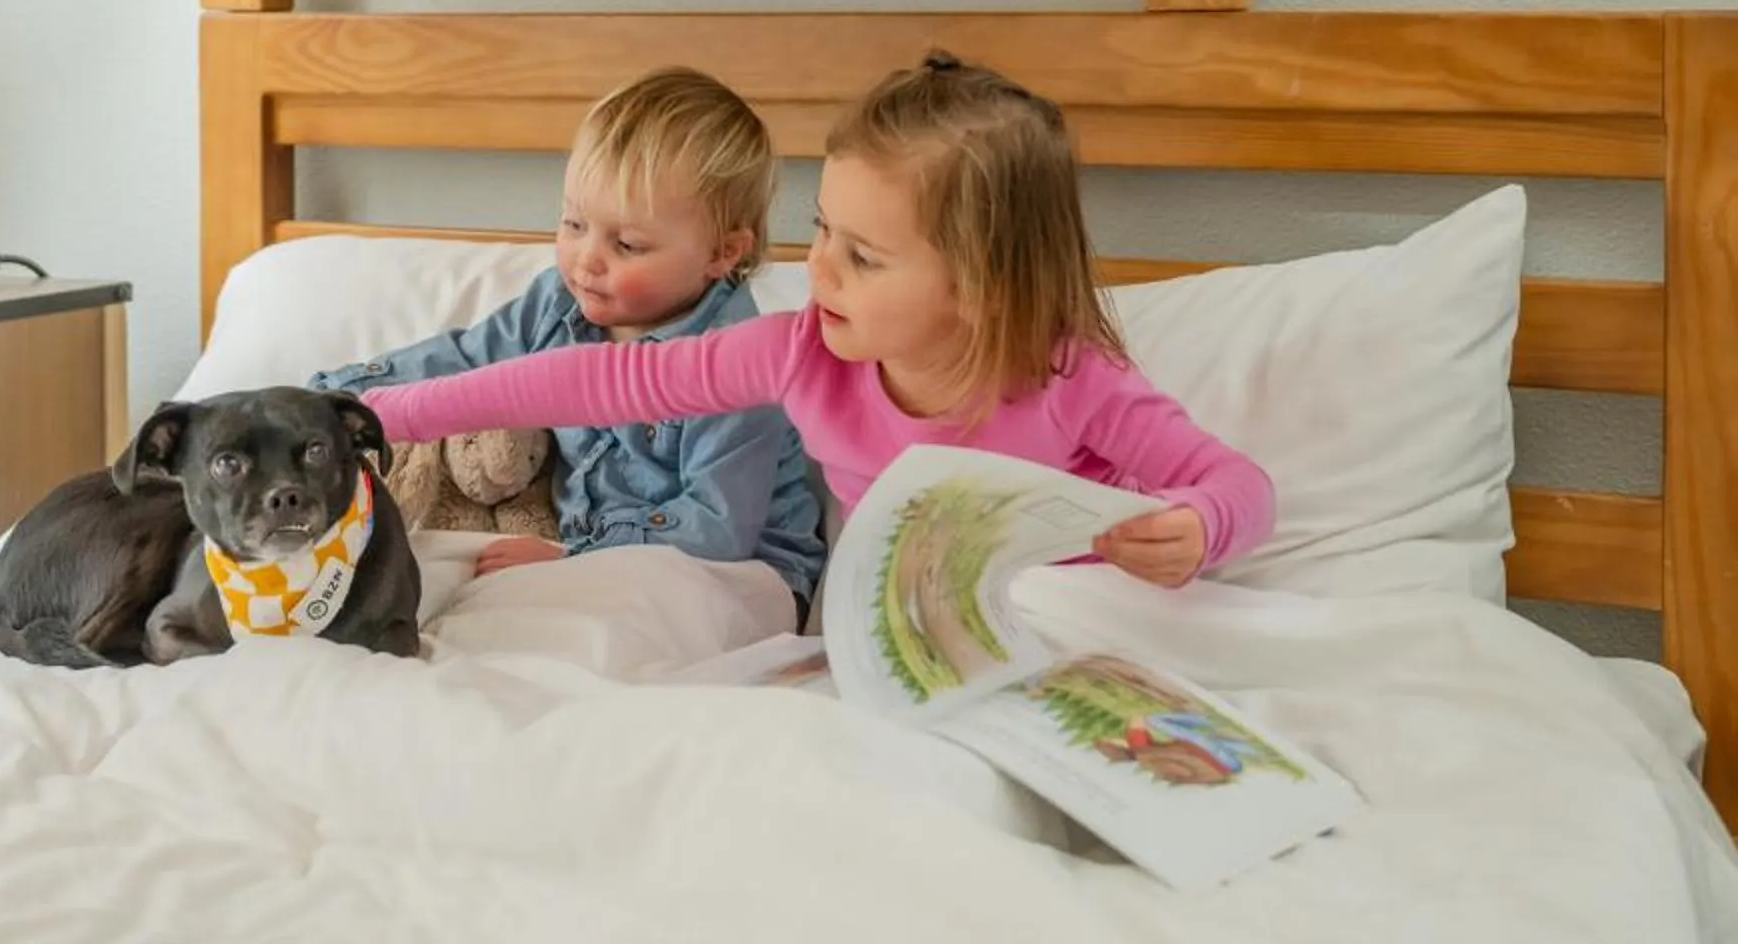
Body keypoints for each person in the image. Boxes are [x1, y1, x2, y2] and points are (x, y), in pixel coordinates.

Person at [353, 52, 1274, 588]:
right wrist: (376, 416)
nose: (818, 269)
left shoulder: (1073, 382)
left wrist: (1200, 525)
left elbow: (1236, 483)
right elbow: (590, 382)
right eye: (824, 230)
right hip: (913, 635)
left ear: (982, 286)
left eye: (863, 257)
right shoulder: (802, 353)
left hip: (1079, 616)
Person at [314, 67, 823, 616]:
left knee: (593, 633)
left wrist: (579, 557)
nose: (586, 259)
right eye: (573, 224)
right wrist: (332, 402)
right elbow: (462, 363)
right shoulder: (557, 304)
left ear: (722, 254)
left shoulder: (737, 368)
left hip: (735, 577)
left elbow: (717, 529)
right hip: (577, 553)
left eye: (627, 244)